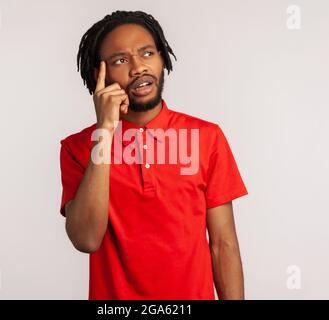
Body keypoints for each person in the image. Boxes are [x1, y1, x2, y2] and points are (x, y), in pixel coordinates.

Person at [59, 10, 248, 300]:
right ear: (100, 75)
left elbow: (223, 244)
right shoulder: (79, 147)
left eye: (147, 53)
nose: (138, 67)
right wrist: (105, 131)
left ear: (162, 58)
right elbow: (86, 239)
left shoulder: (206, 137)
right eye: (120, 60)